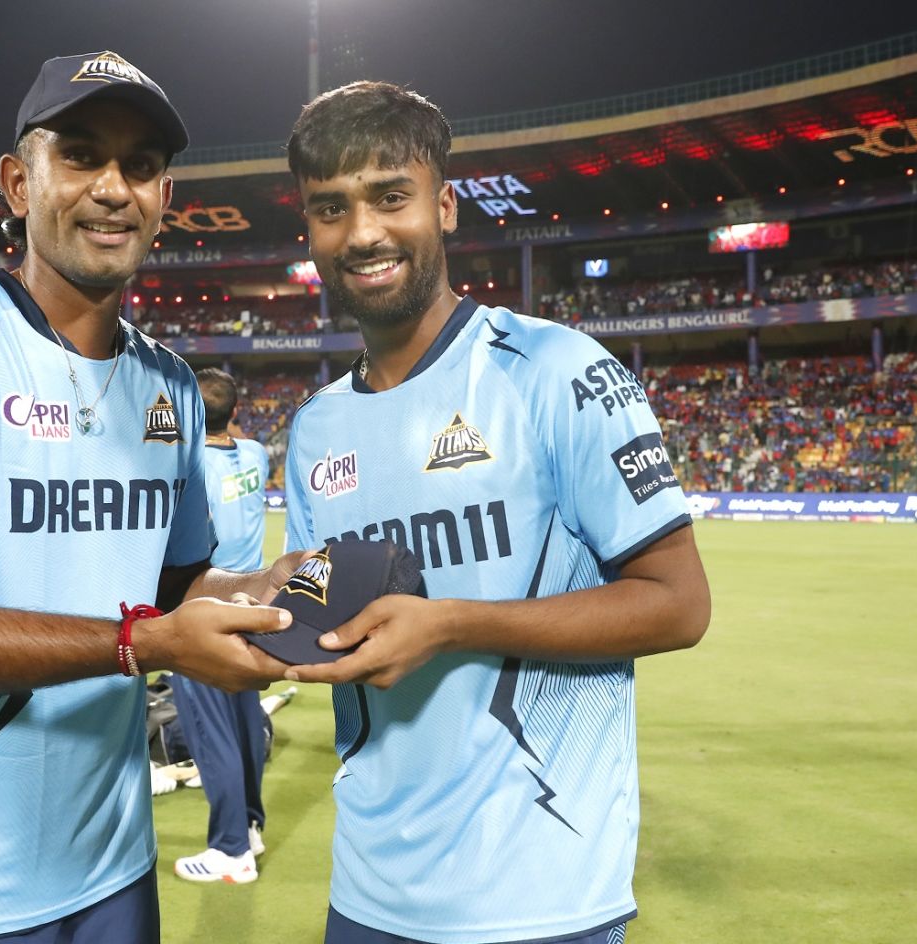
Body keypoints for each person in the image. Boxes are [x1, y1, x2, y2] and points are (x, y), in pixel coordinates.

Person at [0, 51, 293, 944]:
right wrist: (145, 643)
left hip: (115, 872)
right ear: (17, 182)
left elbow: (181, 586)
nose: (114, 187)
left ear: (165, 198)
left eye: (142, 166)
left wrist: (273, 587)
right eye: (81, 155)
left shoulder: (172, 387)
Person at [280, 82, 712, 944]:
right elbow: (322, 609)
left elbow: (678, 603)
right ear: (311, 229)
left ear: (443, 207)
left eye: (389, 197)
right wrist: (270, 615)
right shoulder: (314, 426)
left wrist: (449, 625)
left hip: (542, 900)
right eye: (332, 209)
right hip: (368, 897)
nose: (362, 233)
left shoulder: (556, 370)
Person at [171, 368, 272, 884]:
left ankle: (231, 850)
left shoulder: (189, 463)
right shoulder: (255, 455)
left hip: (204, 602)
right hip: (252, 601)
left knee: (211, 728)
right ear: (235, 411)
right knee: (243, 718)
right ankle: (250, 825)